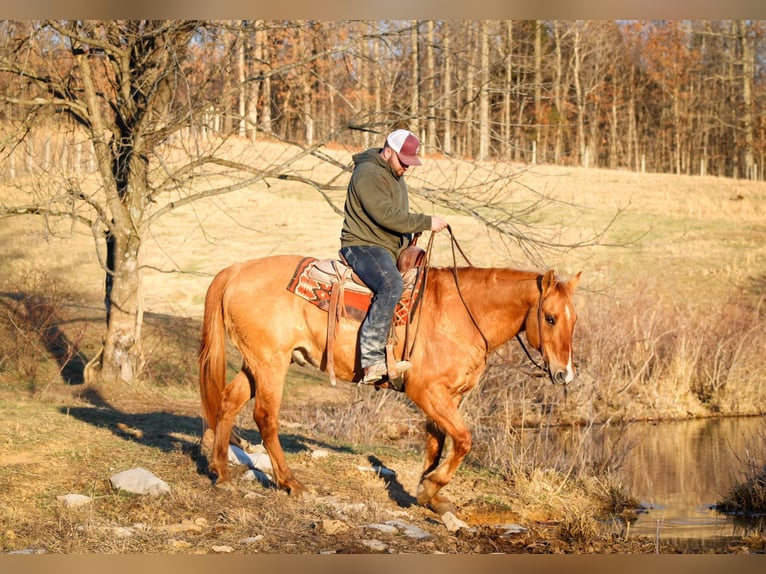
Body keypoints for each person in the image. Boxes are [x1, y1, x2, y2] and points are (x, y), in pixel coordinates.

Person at [340, 129, 449, 384]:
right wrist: (425, 221)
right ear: (388, 151)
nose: (406, 168)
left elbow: (396, 218)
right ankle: (371, 359)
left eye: (410, 164)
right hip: (362, 246)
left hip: (386, 248)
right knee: (391, 284)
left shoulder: (395, 175)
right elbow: (385, 215)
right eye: (403, 162)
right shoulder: (367, 173)